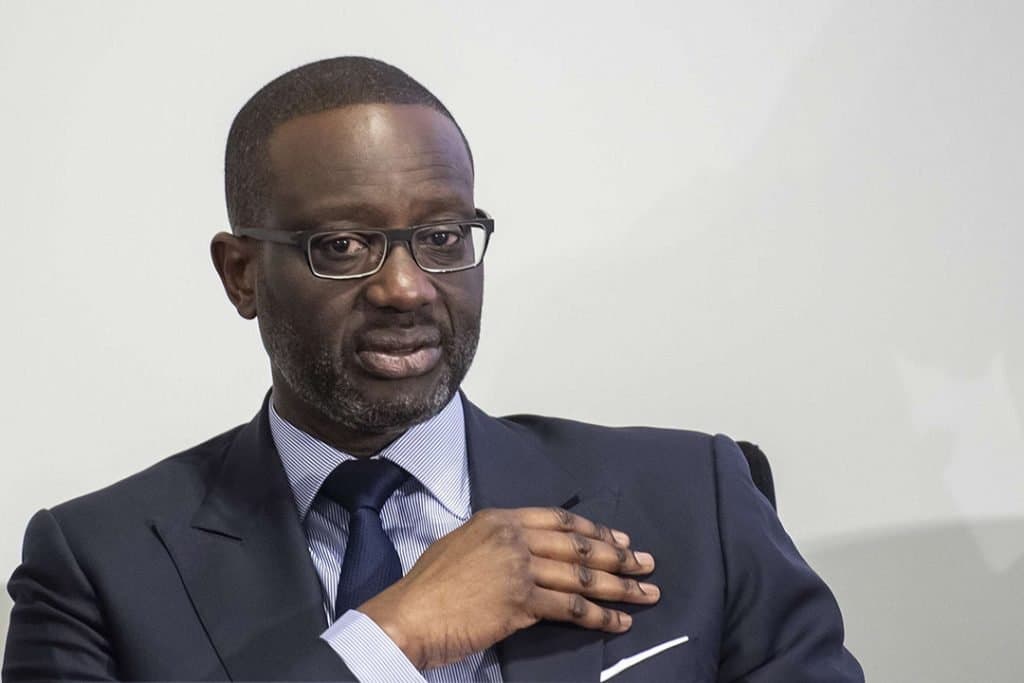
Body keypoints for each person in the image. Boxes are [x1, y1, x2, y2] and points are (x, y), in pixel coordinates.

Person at [2, 57, 863, 682]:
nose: (406, 287)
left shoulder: (694, 497)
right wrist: (391, 636)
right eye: (344, 244)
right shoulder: (97, 567)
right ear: (241, 275)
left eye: (442, 236)